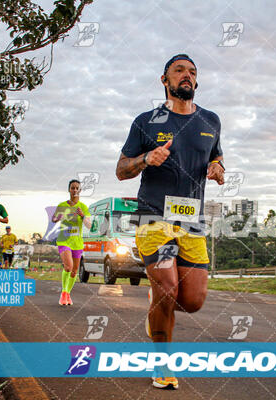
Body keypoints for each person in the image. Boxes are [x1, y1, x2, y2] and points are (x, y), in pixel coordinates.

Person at [116, 54, 225, 390]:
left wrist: (219, 168)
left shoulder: (211, 121)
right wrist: (147, 158)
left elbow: (216, 155)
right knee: (167, 287)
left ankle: (156, 307)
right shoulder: (146, 122)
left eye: (192, 72)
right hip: (153, 219)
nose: (187, 76)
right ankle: (161, 364)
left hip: (191, 223)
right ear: (164, 80)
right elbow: (121, 170)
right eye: (179, 71)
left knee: (192, 301)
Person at [51, 179, 91, 306]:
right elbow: (53, 219)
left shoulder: (83, 207)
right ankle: (63, 293)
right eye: (72, 188)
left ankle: (68, 293)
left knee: (74, 271)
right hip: (64, 240)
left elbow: (89, 225)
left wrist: (83, 216)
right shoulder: (62, 205)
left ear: (80, 190)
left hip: (77, 242)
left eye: (77, 188)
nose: (74, 190)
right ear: (69, 190)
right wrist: (58, 218)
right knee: (68, 267)